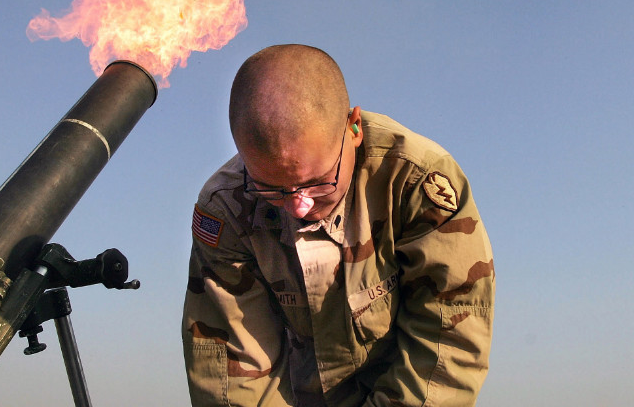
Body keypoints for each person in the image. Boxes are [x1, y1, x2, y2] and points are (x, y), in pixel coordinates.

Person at [182, 44, 494, 406]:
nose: (298, 206)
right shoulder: (226, 208)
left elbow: (446, 343)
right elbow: (233, 371)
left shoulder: (415, 183)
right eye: (270, 189)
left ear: (354, 127)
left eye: (318, 182)